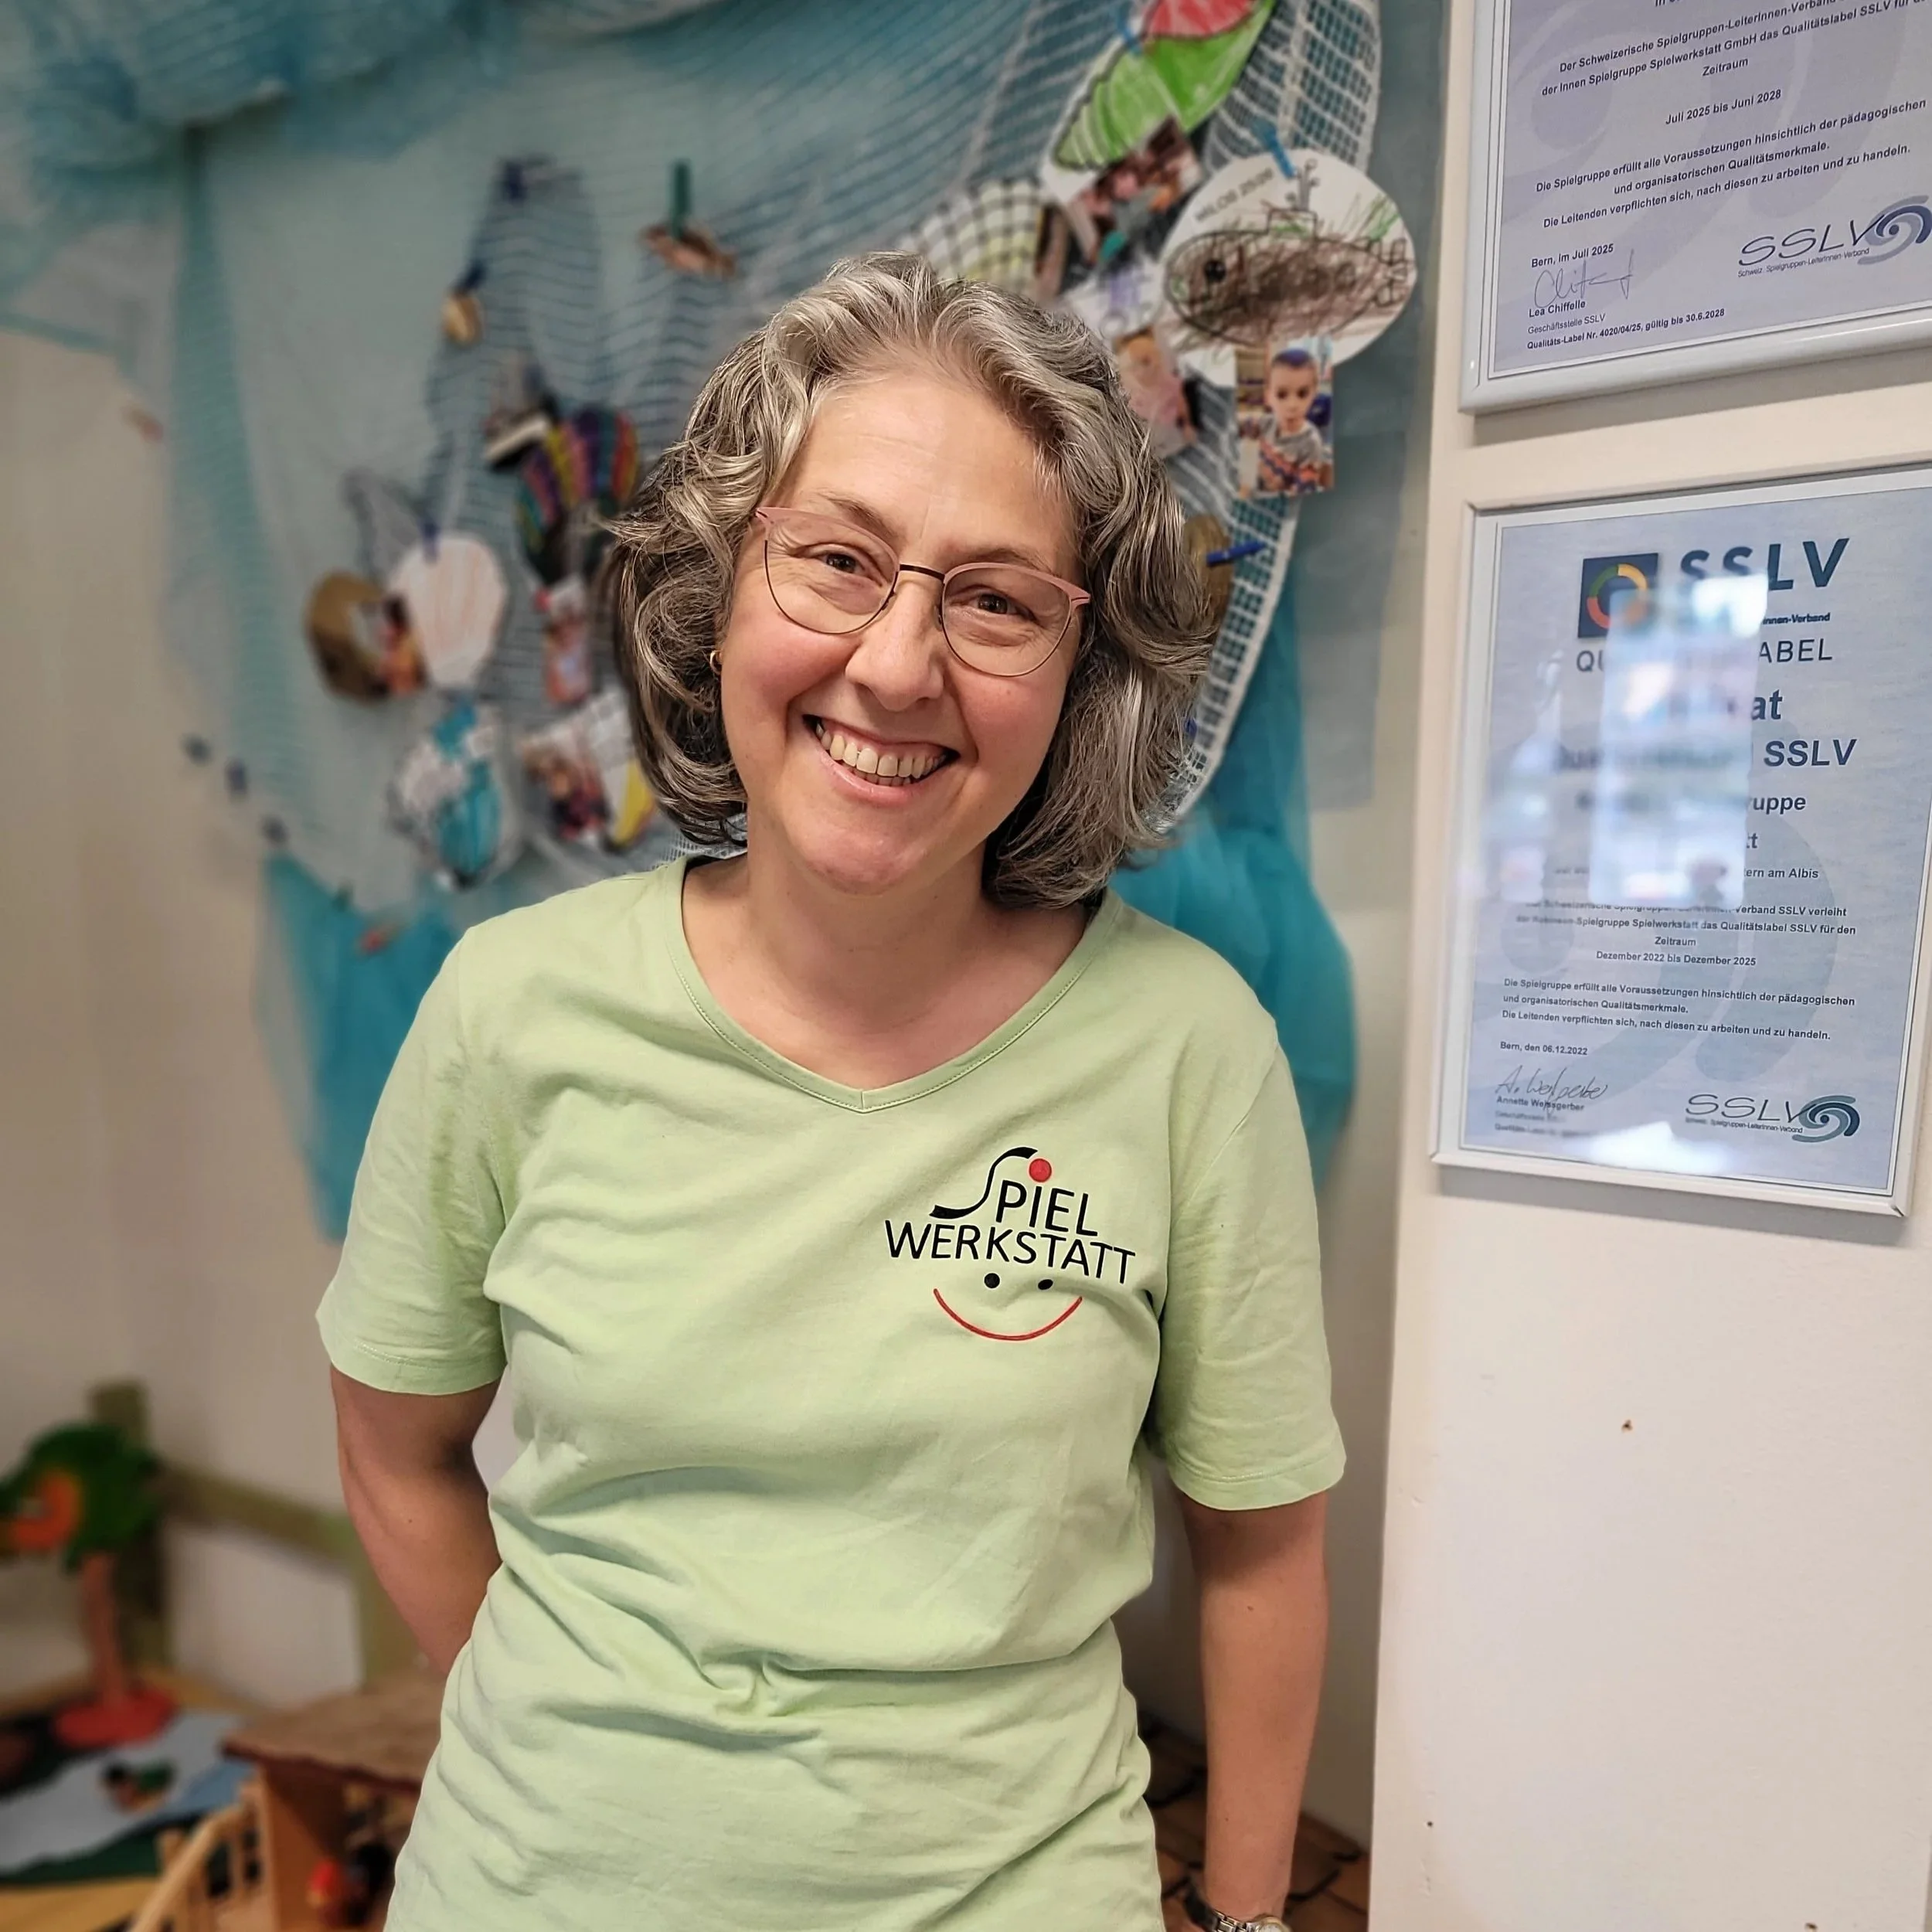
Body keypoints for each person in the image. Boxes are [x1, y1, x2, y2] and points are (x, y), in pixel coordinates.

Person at [321, 253, 1342, 1932]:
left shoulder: (1186, 1049)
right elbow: (391, 1450)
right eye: (838, 561)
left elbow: (1261, 1554)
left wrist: (1241, 1923)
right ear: (720, 585)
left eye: (995, 600)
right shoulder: (512, 1009)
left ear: (1078, 670)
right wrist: (567, 1753)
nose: (896, 665)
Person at [1254, 344, 1331, 495]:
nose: (1292, 405)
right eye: (1282, 395)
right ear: (1268, 397)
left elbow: (1302, 495)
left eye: (1302, 394)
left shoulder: (1311, 444)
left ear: (1314, 396)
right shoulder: (1266, 422)